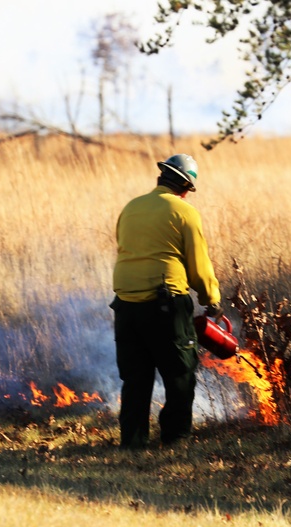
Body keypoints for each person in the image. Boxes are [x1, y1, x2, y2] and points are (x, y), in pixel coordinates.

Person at [110, 154, 223, 449]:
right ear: (186, 186)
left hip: (125, 306)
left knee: (135, 378)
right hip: (166, 307)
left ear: (161, 178)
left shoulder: (131, 207)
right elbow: (198, 263)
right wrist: (211, 299)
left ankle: (132, 443)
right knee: (180, 374)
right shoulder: (185, 212)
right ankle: (175, 439)